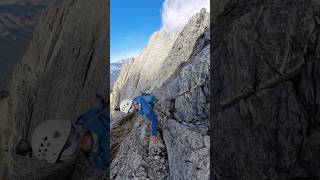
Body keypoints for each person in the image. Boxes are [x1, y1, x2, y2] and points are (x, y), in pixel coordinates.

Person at [30, 108, 109, 169]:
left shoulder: (107, 128)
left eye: (61, 159)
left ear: (68, 151)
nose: (65, 160)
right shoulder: (97, 157)